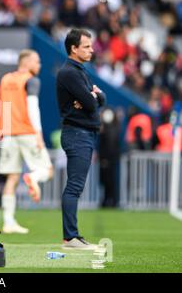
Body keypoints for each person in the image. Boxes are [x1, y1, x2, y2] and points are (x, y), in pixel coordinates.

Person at [56, 29, 106, 250]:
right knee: (74, 187)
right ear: (73, 48)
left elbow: (97, 99)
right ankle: (70, 237)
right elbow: (92, 102)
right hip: (77, 134)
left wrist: (93, 96)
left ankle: (73, 235)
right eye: (86, 46)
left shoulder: (79, 71)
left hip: (83, 134)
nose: (91, 50)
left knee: (76, 186)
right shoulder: (70, 72)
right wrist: (92, 96)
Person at [0, 49, 54, 234]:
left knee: (11, 178)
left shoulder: (5, 79)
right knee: (47, 171)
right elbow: (32, 107)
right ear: (26, 62)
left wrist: (0, 130)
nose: (39, 65)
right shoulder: (31, 79)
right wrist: (38, 133)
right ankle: (33, 177)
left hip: (9, 135)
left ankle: (8, 222)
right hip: (27, 132)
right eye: (37, 61)